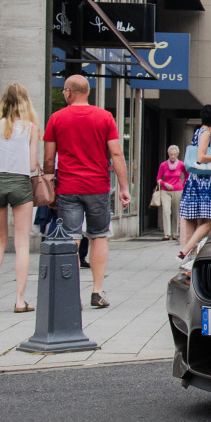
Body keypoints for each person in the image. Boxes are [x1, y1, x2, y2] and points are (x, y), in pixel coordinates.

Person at [43, 75, 130, 309]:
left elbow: (49, 158)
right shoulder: (105, 117)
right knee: (98, 235)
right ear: (88, 92)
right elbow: (117, 154)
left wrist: (50, 188)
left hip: (68, 188)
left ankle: (71, 293)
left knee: (71, 237)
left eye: (63, 91)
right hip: (97, 186)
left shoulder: (56, 118)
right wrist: (124, 187)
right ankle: (97, 290)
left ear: (69, 92)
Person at [0, 83, 41, 312]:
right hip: (20, 183)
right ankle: (19, 300)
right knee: (21, 242)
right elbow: (33, 165)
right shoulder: (31, 128)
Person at [180, 105, 211, 257]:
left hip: (196, 180)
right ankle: (187, 250)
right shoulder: (205, 133)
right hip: (204, 181)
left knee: (201, 221)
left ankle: (192, 256)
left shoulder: (198, 131)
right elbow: (201, 157)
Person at [156, 145, 186, 240]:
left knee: (176, 211)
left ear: (177, 154)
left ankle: (174, 233)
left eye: (174, 154)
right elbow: (158, 179)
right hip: (165, 190)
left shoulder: (181, 164)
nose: (173, 156)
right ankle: (167, 233)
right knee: (166, 210)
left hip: (177, 190)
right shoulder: (163, 165)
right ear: (168, 154)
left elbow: (187, 175)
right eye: (171, 154)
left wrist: (183, 186)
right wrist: (165, 184)